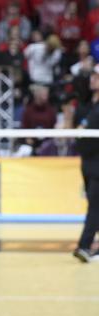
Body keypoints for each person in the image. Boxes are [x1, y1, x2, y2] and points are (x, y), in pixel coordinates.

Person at [75, 64, 99, 262]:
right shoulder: (87, 105)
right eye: (92, 76)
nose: (93, 79)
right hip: (87, 162)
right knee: (95, 204)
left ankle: (84, 245)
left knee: (95, 206)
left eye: (97, 76)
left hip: (98, 164)